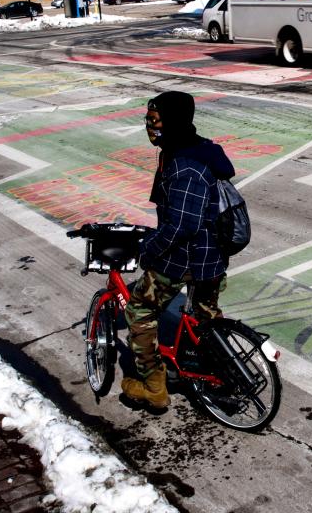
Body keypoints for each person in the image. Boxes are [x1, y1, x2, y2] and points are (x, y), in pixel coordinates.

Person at [120, 91, 235, 409]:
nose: (148, 126)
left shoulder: (185, 164)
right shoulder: (190, 149)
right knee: (206, 319)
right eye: (147, 119)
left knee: (139, 311)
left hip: (186, 259)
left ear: (173, 122)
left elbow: (182, 225)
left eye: (154, 120)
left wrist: (149, 249)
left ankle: (153, 387)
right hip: (210, 257)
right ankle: (224, 372)